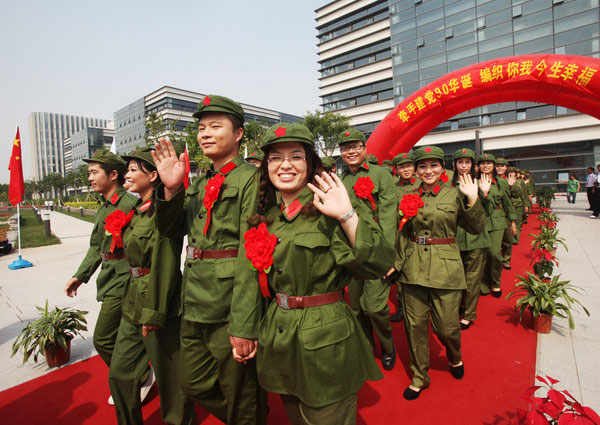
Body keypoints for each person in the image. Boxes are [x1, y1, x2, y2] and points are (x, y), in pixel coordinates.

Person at [239, 122, 392, 425]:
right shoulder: (266, 217)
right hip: (280, 337)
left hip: (325, 340)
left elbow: (377, 263)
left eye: (296, 156)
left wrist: (348, 216)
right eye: (275, 157)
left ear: (310, 164)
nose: (285, 165)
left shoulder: (329, 208)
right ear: (265, 166)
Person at [151, 95, 267, 425]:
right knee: (192, 383)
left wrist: (244, 324)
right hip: (196, 300)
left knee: (240, 392)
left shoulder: (250, 180)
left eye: (216, 126)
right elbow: (171, 229)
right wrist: (171, 190)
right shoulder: (201, 182)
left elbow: (250, 255)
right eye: (201, 127)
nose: (205, 133)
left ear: (239, 134)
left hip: (229, 303)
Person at [108, 147, 196, 425]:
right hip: (133, 299)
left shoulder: (162, 212)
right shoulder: (137, 210)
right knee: (120, 373)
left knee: (170, 377)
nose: (128, 174)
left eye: (134, 169)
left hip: (157, 302)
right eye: (128, 169)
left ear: (153, 175)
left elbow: (165, 263)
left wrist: (156, 311)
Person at [394, 145, 485, 400]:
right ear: (416, 170)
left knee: (446, 327)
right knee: (415, 327)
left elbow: (476, 227)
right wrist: (397, 263)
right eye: (422, 166)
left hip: (446, 267)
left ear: (442, 167)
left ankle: (454, 356)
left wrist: (473, 199)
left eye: (433, 165)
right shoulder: (407, 195)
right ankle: (420, 377)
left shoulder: (454, 194)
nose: (428, 171)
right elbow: (399, 232)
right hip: (413, 267)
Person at [63, 149, 144, 405]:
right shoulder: (103, 209)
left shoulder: (130, 204)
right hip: (109, 278)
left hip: (125, 279)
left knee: (103, 338)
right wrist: (80, 276)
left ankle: (136, 375)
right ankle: (137, 374)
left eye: (94, 172)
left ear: (113, 175)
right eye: (89, 173)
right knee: (120, 337)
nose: (90, 178)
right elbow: (96, 247)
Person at [339, 129, 397, 370]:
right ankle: (365, 346)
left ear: (364, 149)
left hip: (375, 251)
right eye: (345, 148)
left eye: (355, 146)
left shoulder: (381, 175)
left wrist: (387, 257)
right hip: (352, 254)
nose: (350, 152)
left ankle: (387, 346)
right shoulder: (341, 181)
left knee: (374, 308)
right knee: (355, 308)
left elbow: (388, 217)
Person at [452, 149, 491, 331]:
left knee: (473, 278)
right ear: (455, 165)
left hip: (476, 238)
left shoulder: (481, 183)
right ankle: (459, 305)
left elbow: (487, 213)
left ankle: (468, 314)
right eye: (460, 162)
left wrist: (483, 195)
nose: (464, 166)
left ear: (473, 165)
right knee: (457, 276)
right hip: (456, 237)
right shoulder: (448, 186)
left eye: (468, 162)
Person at [477, 154, 516, 297]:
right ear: (478, 166)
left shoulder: (501, 182)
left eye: (489, 163)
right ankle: (484, 284)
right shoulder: (474, 182)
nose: (485, 166)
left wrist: (512, 222)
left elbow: (507, 203)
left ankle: (496, 282)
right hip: (479, 222)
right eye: (482, 163)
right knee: (481, 256)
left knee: (494, 253)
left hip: (497, 221)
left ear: (493, 166)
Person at [390, 152, 420, 323]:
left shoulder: (423, 184)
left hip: (418, 235)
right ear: (397, 169)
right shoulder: (392, 187)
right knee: (401, 271)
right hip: (400, 235)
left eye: (409, 165)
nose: (406, 169)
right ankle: (403, 306)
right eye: (402, 166)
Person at [507, 167, 529, 245]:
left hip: (518, 205)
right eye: (509, 172)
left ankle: (515, 239)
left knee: (518, 222)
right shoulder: (504, 181)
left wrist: (526, 205)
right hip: (508, 205)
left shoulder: (520, 182)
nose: (511, 173)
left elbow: (524, 194)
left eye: (513, 172)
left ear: (516, 174)